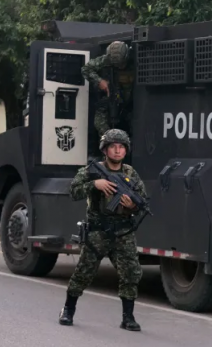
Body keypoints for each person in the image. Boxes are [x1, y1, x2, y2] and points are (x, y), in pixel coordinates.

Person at [58, 129, 146, 332]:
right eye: (113, 146)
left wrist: (131, 205)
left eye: (121, 146)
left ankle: (128, 317)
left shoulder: (131, 174)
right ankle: (68, 310)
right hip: (98, 231)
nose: (118, 150)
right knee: (84, 272)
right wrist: (94, 184)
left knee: (131, 273)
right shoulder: (92, 170)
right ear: (105, 149)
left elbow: (140, 200)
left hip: (123, 232)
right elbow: (73, 191)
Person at [81, 41, 135, 137]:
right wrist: (99, 81)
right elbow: (86, 69)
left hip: (132, 103)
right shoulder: (107, 60)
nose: (119, 67)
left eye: (121, 64)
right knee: (100, 123)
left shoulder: (134, 60)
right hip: (113, 99)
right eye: (117, 65)